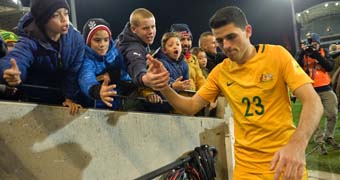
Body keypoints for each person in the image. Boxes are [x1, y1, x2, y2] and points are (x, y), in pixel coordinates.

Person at [147, 6, 323, 180]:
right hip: (246, 170)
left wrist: (297, 145)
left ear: (248, 31)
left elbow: (313, 102)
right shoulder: (220, 72)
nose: (227, 46)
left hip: (284, 163)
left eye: (231, 37)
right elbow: (190, 106)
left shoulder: (276, 55)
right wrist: (164, 86)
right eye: (220, 41)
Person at [0, 0, 84, 115]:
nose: (64, 20)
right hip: (34, 101)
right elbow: (18, 57)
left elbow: (73, 71)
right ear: (43, 20)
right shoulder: (29, 40)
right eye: (55, 15)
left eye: (66, 13)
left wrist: (69, 97)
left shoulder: (76, 40)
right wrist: (11, 72)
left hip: (62, 99)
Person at [115, 8, 168, 111]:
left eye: (153, 27)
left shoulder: (128, 37)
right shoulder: (133, 47)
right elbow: (136, 62)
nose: (151, 32)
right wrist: (144, 78)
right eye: (146, 28)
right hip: (122, 101)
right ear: (134, 29)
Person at [296, 33, 340, 155]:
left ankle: (328, 136)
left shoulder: (323, 52)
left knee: (332, 113)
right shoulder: (303, 54)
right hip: (310, 90)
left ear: (318, 43)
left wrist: (316, 54)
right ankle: (320, 143)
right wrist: (301, 54)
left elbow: (329, 66)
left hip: (325, 88)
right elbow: (296, 67)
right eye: (310, 43)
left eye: (314, 43)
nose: (312, 45)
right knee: (314, 118)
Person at [78, 18, 132, 109]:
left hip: (117, 105)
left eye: (106, 40)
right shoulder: (86, 59)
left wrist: (118, 75)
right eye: (97, 40)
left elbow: (127, 73)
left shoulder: (115, 53)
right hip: (94, 108)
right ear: (88, 41)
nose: (102, 44)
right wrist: (97, 90)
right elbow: (85, 77)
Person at [170, 24, 205, 91]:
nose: (186, 43)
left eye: (188, 39)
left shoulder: (193, 58)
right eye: (182, 39)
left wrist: (204, 96)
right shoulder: (168, 58)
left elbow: (200, 80)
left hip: (193, 98)